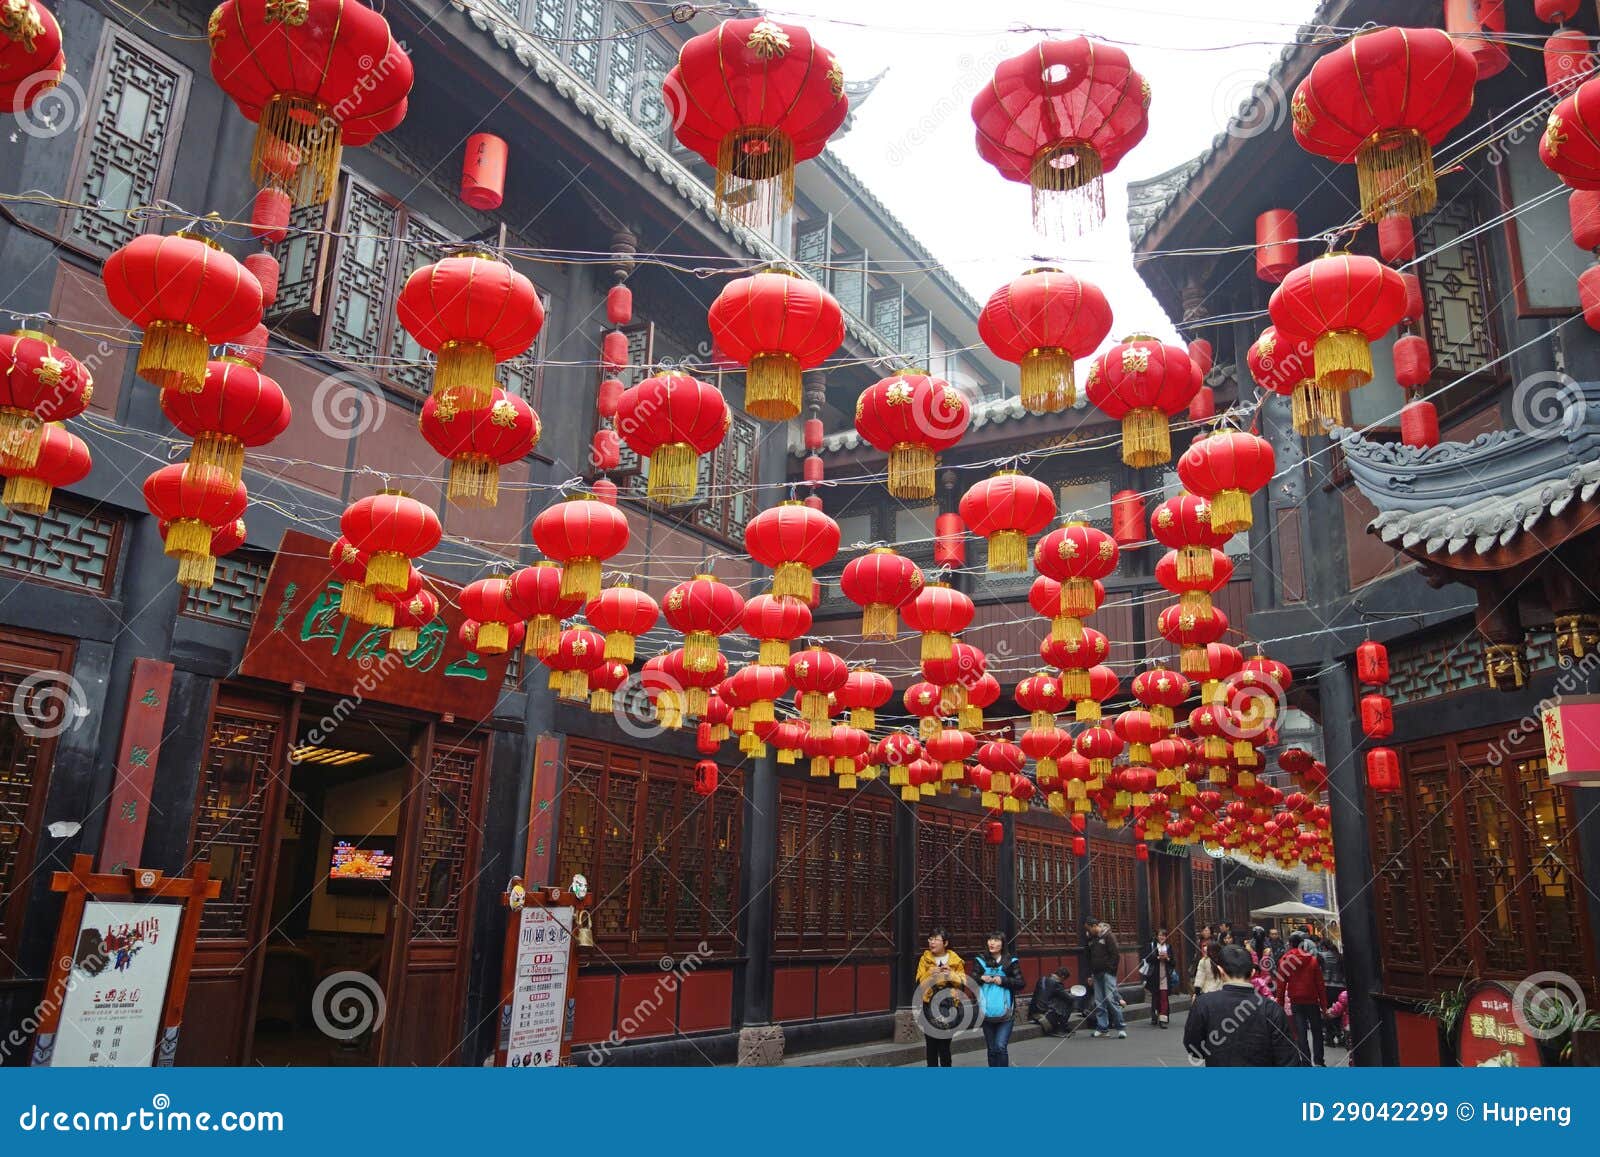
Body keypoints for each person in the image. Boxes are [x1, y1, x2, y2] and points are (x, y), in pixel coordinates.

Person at [1183, 944, 1304, 1067]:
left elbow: (1193, 1046)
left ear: (1221, 971)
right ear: (1252, 972)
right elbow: (1288, 1059)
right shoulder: (1272, 1009)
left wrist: (1213, 1052)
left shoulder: (1203, 1004)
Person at [970, 931, 1026, 1066]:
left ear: (1003, 944)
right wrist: (981, 978)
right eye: (990, 940)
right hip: (987, 1012)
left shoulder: (1010, 962)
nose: (992, 943)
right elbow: (972, 980)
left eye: (996, 940)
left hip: (1006, 1012)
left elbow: (1021, 983)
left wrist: (1003, 980)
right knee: (991, 1049)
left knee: (1000, 1046)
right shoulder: (981, 960)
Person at [913, 927, 965, 1067]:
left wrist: (951, 975)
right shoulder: (925, 960)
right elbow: (919, 984)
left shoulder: (955, 960)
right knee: (931, 1046)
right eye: (930, 939)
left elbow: (963, 984)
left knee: (944, 1046)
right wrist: (930, 974)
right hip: (929, 1005)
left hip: (949, 1006)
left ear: (945, 943)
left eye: (936, 939)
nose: (932, 942)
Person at [1279, 931, 1329, 1066]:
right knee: (1317, 1031)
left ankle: (1306, 1062)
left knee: (1301, 1034)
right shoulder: (1312, 960)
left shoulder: (1285, 961)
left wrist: (1280, 1004)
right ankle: (1319, 1060)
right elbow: (1320, 985)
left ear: (1290, 944)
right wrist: (1324, 1006)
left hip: (1296, 1001)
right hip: (1312, 1000)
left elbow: (1281, 985)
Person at [1084, 918, 1126, 1038]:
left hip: (1107, 973)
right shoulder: (1091, 939)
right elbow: (1089, 957)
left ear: (1094, 926)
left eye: (1088, 928)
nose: (1088, 931)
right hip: (1096, 973)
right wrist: (1091, 973)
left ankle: (1121, 1027)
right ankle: (1103, 1028)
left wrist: (1110, 969)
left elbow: (1115, 954)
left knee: (1110, 999)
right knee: (1099, 1002)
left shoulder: (1108, 936)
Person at [1142, 926, 1180, 1027]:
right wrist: (1158, 957)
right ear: (1157, 936)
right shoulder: (1151, 946)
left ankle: (1163, 1019)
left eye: (1164, 935)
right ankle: (1155, 1016)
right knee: (1155, 997)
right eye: (1160, 935)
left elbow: (1173, 962)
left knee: (1163, 996)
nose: (1162, 937)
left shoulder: (1168, 947)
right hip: (1154, 975)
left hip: (1164, 975)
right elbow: (1148, 958)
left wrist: (1167, 958)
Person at [1030, 967, 1078, 1036]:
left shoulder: (1042, 979)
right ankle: (1061, 1027)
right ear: (1062, 976)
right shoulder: (1056, 984)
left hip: (1034, 1013)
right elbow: (1068, 998)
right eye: (1064, 979)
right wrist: (1074, 995)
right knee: (1069, 1002)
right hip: (1045, 1014)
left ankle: (1062, 1025)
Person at [1317, 935, 1345, 1010]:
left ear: (1323, 947)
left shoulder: (1320, 955)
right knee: (1339, 1010)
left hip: (1326, 986)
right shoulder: (1339, 956)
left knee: (1327, 1009)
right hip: (1340, 986)